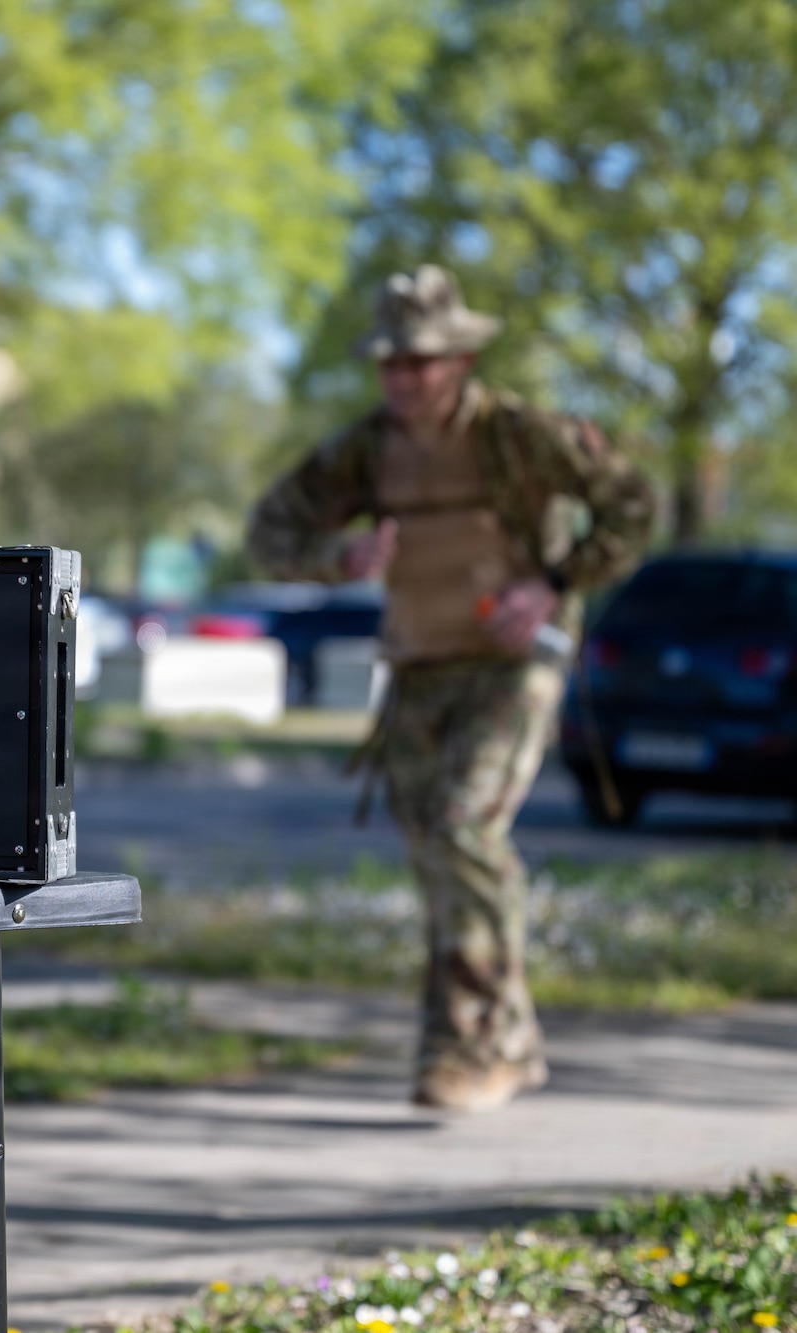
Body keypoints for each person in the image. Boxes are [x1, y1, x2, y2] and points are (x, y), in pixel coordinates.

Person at [247, 265, 655, 1113]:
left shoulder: (520, 437)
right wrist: (338, 558)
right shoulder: (366, 448)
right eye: (392, 362)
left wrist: (555, 583)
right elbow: (270, 528)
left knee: (464, 825)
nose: (406, 378)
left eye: (424, 361)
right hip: (420, 671)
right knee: (437, 851)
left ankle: (469, 1044)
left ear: (462, 358)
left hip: (515, 664)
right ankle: (504, 1037)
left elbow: (632, 504)